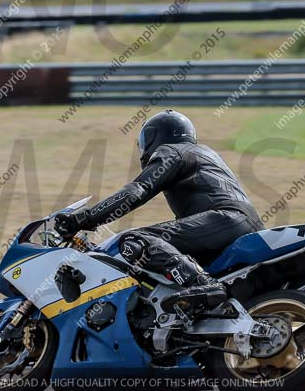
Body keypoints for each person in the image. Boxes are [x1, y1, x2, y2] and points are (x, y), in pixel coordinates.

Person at [55, 110, 263, 315]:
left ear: (156, 136)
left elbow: (136, 191)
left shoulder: (173, 151)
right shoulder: (206, 154)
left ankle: (204, 284)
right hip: (243, 224)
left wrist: (85, 218)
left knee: (135, 240)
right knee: (168, 253)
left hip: (225, 220)